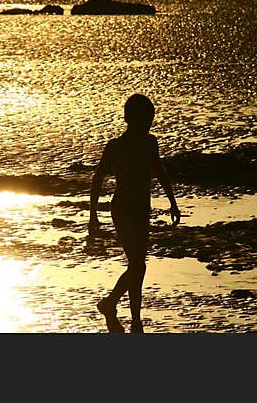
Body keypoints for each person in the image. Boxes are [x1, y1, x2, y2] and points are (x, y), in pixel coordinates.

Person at [88, 94, 179, 333]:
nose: (149, 122)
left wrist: (173, 202)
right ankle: (112, 304)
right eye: (146, 117)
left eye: (150, 118)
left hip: (142, 209)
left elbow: (160, 171)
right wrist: (92, 215)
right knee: (138, 265)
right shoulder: (115, 146)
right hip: (122, 210)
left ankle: (135, 319)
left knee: (137, 264)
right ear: (132, 118)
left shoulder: (150, 143)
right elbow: (97, 178)